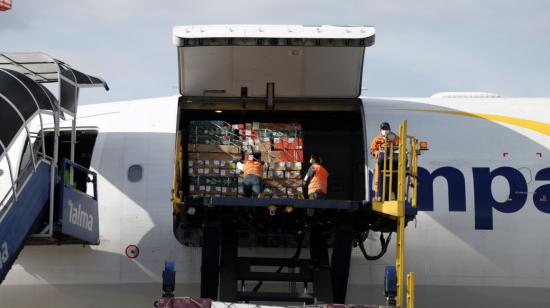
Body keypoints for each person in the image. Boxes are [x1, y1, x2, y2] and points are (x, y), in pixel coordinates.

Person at [371, 122, 400, 201]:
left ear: (389, 129)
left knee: (395, 177)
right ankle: (379, 195)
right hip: (381, 162)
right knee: (379, 179)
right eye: (383, 129)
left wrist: (393, 142)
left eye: (386, 129)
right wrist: (376, 152)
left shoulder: (394, 137)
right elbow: (372, 150)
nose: (385, 130)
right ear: (380, 130)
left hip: (394, 161)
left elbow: (401, 146)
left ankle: (394, 195)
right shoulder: (377, 139)